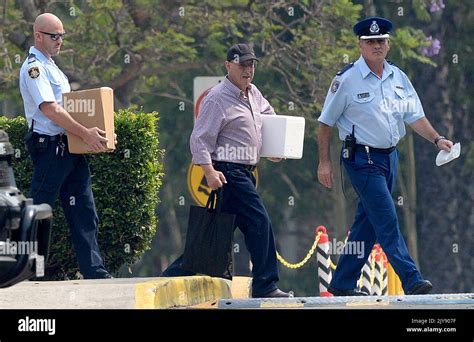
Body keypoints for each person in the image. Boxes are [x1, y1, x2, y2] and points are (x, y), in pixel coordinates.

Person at [317, 17, 453, 296]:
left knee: (367, 224)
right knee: (387, 219)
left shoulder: (398, 77)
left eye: (381, 41)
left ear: (388, 44)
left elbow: (415, 117)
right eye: (370, 42)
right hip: (361, 160)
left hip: (389, 158)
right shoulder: (346, 80)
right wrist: (325, 162)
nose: (376, 46)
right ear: (360, 45)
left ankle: (342, 283)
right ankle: (412, 279)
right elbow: (325, 124)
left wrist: (437, 139)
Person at [162, 43, 291, 298]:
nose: (248, 69)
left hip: (245, 173)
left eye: (252, 64)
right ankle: (266, 285)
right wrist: (208, 172)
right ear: (228, 65)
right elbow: (199, 139)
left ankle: (171, 275)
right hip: (227, 172)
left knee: (214, 234)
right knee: (259, 221)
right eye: (243, 64)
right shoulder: (216, 97)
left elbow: (269, 120)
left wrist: (277, 149)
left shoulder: (254, 93)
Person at [19, 13, 113, 279]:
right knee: (39, 210)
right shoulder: (34, 68)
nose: (60, 40)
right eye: (54, 36)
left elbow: (68, 107)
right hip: (50, 148)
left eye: (62, 35)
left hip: (69, 147)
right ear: (38, 36)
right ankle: (28, 272)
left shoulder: (52, 66)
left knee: (84, 209)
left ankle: (94, 271)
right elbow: (50, 109)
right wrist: (85, 132)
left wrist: (84, 133)